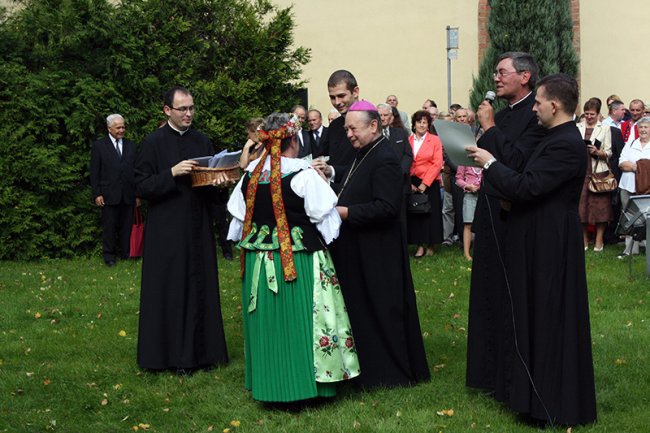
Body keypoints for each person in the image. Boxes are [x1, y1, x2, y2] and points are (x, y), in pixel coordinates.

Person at [467, 73, 597, 426]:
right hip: (537, 237)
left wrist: (490, 163)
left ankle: (548, 399)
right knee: (531, 315)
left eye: (538, 102)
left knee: (547, 317)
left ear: (554, 106)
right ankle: (527, 394)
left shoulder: (566, 143)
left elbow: (528, 186)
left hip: (551, 243)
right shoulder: (554, 137)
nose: (534, 108)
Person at [226, 112, 359, 403]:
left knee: (269, 324)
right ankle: (308, 387)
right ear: (294, 142)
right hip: (298, 262)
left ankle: (270, 385)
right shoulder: (304, 173)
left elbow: (237, 226)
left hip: (259, 265)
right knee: (305, 320)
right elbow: (326, 219)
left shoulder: (250, 175)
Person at [327, 100, 430, 389]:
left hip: (377, 249)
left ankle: (387, 373)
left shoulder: (384, 157)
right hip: (360, 246)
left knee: (381, 310)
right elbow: (353, 182)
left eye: (353, 128)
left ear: (374, 125)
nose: (348, 134)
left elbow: (386, 207)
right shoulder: (365, 152)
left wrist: (344, 212)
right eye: (346, 128)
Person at [135, 86, 229, 372]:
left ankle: (204, 354)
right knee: (173, 290)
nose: (188, 114)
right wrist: (171, 173)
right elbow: (140, 186)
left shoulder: (202, 141)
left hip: (197, 225)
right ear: (167, 110)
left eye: (191, 108)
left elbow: (210, 186)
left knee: (201, 286)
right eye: (182, 109)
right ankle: (171, 356)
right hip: (167, 229)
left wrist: (219, 183)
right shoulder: (152, 143)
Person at [466, 51, 545, 392]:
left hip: (513, 214)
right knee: (487, 289)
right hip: (489, 205)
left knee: (508, 292)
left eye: (502, 72)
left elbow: (515, 161)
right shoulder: (501, 114)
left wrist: (489, 128)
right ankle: (487, 369)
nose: (495, 78)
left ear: (525, 77)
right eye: (495, 73)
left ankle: (509, 370)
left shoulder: (535, 116)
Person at [90, 114, 137, 267]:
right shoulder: (99, 146)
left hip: (128, 194)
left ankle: (126, 253)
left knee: (126, 226)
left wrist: (137, 194)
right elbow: (94, 172)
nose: (122, 130)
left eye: (123, 127)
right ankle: (109, 256)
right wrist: (97, 193)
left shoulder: (131, 145)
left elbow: (135, 171)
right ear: (109, 128)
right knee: (109, 227)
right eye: (118, 127)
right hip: (109, 194)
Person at [577, 98, 613, 252]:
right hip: (581, 171)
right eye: (586, 114)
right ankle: (584, 239)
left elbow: (609, 151)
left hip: (598, 171)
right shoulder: (577, 126)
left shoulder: (605, 128)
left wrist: (598, 152)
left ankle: (599, 240)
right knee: (581, 207)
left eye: (592, 114)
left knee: (600, 207)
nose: (589, 117)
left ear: (598, 114)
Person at [407, 110, 443, 258]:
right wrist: (408, 183)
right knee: (417, 215)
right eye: (419, 122)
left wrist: (424, 184)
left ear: (428, 125)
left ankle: (431, 244)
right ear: (414, 124)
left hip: (430, 182)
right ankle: (419, 245)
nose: (422, 125)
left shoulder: (434, 140)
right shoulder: (408, 140)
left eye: (425, 122)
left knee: (430, 215)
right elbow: (405, 160)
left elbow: (437, 163)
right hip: (412, 181)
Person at [618, 116, 650, 258]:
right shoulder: (631, 143)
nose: (643, 130)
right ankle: (630, 249)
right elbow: (621, 163)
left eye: (646, 127)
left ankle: (647, 247)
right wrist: (639, 167)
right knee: (629, 217)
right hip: (628, 186)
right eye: (641, 127)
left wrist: (633, 167)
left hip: (647, 188)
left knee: (647, 218)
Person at [455, 164, 482, 260]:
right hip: (469, 196)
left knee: (483, 223)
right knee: (468, 224)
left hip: (484, 195)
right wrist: (467, 186)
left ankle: (481, 252)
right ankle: (467, 254)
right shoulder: (464, 160)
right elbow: (458, 179)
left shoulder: (485, 156)